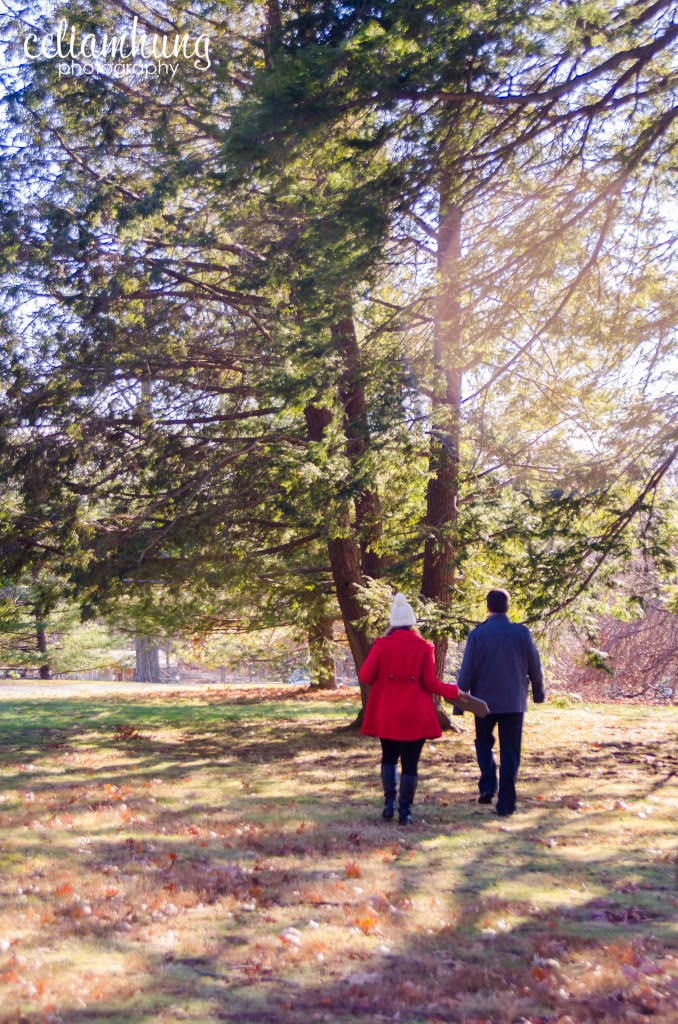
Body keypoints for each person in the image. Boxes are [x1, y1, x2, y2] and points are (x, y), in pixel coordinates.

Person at [359, 593, 461, 825]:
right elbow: (430, 683)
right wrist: (454, 691)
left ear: (392, 623)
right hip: (415, 713)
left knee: (389, 756)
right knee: (411, 762)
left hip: (387, 712)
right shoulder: (424, 646)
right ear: (412, 622)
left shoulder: (382, 645)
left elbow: (365, 675)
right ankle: (405, 811)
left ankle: (389, 804)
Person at [456, 587, 545, 816]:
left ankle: (487, 784)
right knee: (510, 751)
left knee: (483, 742)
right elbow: (534, 667)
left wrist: (459, 703)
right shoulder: (521, 633)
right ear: (508, 607)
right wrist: (538, 693)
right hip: (513, 702)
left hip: (483, 701)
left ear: (487, 607)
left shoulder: (478, 634)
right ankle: (506, 803)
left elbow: (467, 671)